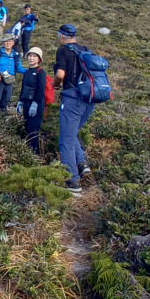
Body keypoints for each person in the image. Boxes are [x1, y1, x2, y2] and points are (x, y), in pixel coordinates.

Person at [53, 24, 94, 194]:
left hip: (72, 99)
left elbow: (61, 74)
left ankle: (72, 182)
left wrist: (55, 85)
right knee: (72, 134)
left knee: (66, 140)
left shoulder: (63, 50)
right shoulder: (86, 50)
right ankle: (82, 164)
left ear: (62, 36)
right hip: (89, 100)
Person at [16, 47, 46, 154]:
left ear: (39, 59)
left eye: (34, 56)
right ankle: (29, 153)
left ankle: (35, 153)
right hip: (26, 102)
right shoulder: (28, 71)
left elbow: (41, 89)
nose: (31, 58)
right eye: (30, 56)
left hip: (36, 104)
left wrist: (35, 103)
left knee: (34, 129)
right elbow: (24, 87)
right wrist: (20, 101)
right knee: (27, 127)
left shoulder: (41, 72)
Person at [0, 33, 24, 111]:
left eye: (10, 41)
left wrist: (30, 71)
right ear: (3, 43)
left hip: (9, 80)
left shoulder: (16, 55)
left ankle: (1, 119)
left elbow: (19, 68)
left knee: (6, 100)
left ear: (13, 43)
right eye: (6, 41)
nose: (8, 43)